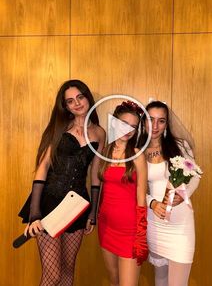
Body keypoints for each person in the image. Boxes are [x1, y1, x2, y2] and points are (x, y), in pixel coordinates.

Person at [18, 79, 105, 285]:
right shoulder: (60, 127)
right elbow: (43, 167)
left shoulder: (99, 133)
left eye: (80, 97)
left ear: (87, 97)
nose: (77, 103)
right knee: (52, 276)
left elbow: (95, 174)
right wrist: (35, 212)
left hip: (77, 206)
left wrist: (93, 212)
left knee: (67, 271)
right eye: (70, 101)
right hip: (50, 202)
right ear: (65, 106)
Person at [138, 100, 200, 286]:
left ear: (167, 124)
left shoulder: (179, 146)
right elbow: (135, 188)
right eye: (150, 119)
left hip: (180, 224)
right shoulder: (136, 151)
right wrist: (152, 203)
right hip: (154, 222)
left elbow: (196, 176)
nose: (155, 126)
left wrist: (184, 195)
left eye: (161, 121)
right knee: (161, 278)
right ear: (143, 122)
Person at [97, 101, 148, 286]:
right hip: (106, 226)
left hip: (129, 231)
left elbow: (142, 196)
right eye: (125, 124)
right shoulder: (105, 152)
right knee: (114, 280)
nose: (129, 130)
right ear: (114, 122)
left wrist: (141, 233)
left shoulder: (137, 155)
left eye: (134, 127)